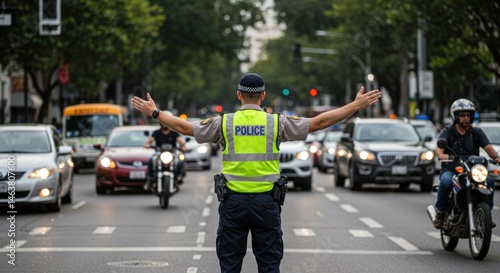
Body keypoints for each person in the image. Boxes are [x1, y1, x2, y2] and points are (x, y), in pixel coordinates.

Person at [131, 73, 381, 272]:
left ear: (239, 95)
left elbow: (185, 128)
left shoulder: (224, 122)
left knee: (230, 265)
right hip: (266, 204)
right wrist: (355, 105)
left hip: (233, 204)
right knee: (269, 265)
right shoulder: (276, 123)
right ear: (263, 96)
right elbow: (320, 123)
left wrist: (155, 112)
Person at [433, 98, 500, 229]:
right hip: (452, 169)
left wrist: (497, 157)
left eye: (468, 115)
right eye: (462, 115)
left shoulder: (476, 133)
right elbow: (439, 147)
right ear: (456, 116)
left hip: (472, 170)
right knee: (446, 182)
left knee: (490, 183)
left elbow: (488, 147)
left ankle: (486, 215)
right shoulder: (448, 131)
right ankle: (440, 213)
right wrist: (441, 155)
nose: (466, 118)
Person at [144, 119, 188, 190]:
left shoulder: (174, 133)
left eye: (166, 122)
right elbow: (149, 141)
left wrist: (183, 146)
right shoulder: (156, 133)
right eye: (163, 123)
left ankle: (177, 178)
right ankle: (150, 179)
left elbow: (180, 141)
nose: (164, 124)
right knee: (150, 161)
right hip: (159, 153)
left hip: (172, 153)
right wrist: (147, 144)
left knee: (179, 162)